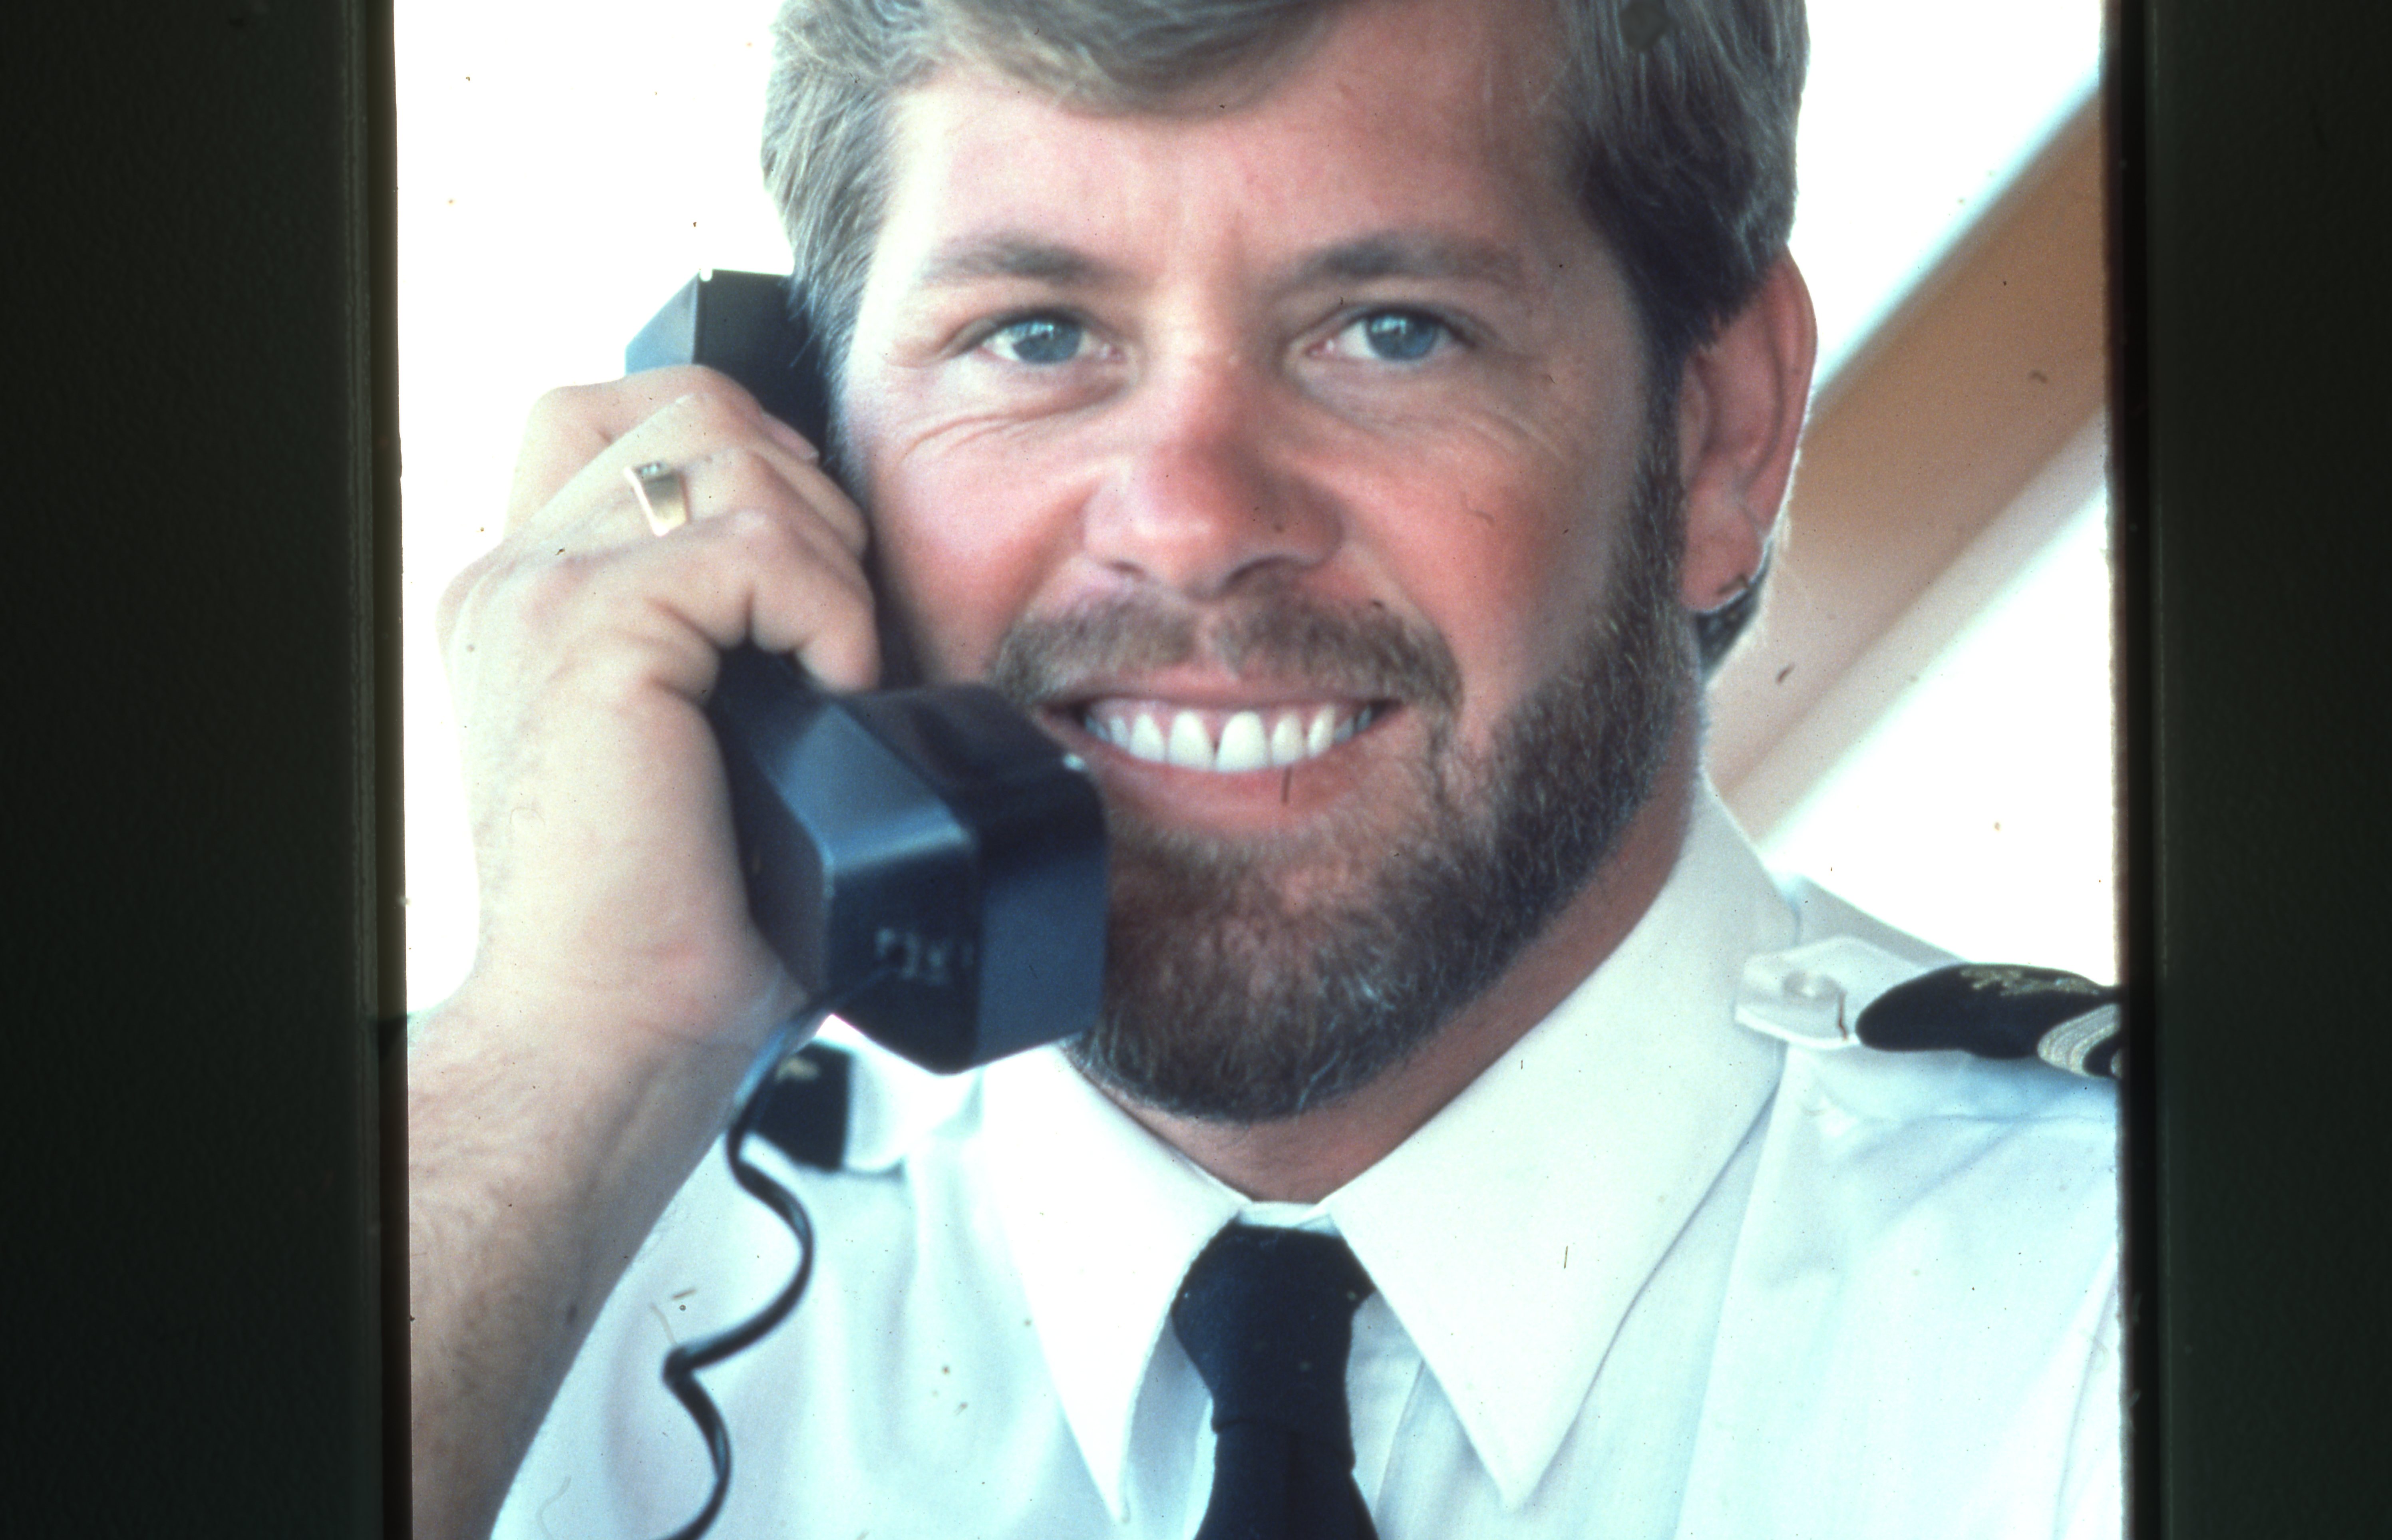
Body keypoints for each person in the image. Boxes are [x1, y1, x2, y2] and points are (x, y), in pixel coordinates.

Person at [409, 0, 2121, 1536]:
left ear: (1720, 435)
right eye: (1036, 335)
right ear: (800, 438)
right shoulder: (532, 1292)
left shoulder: (2150, 1306)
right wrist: (570, 1054)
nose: (1195, 522)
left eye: (1392, 331)